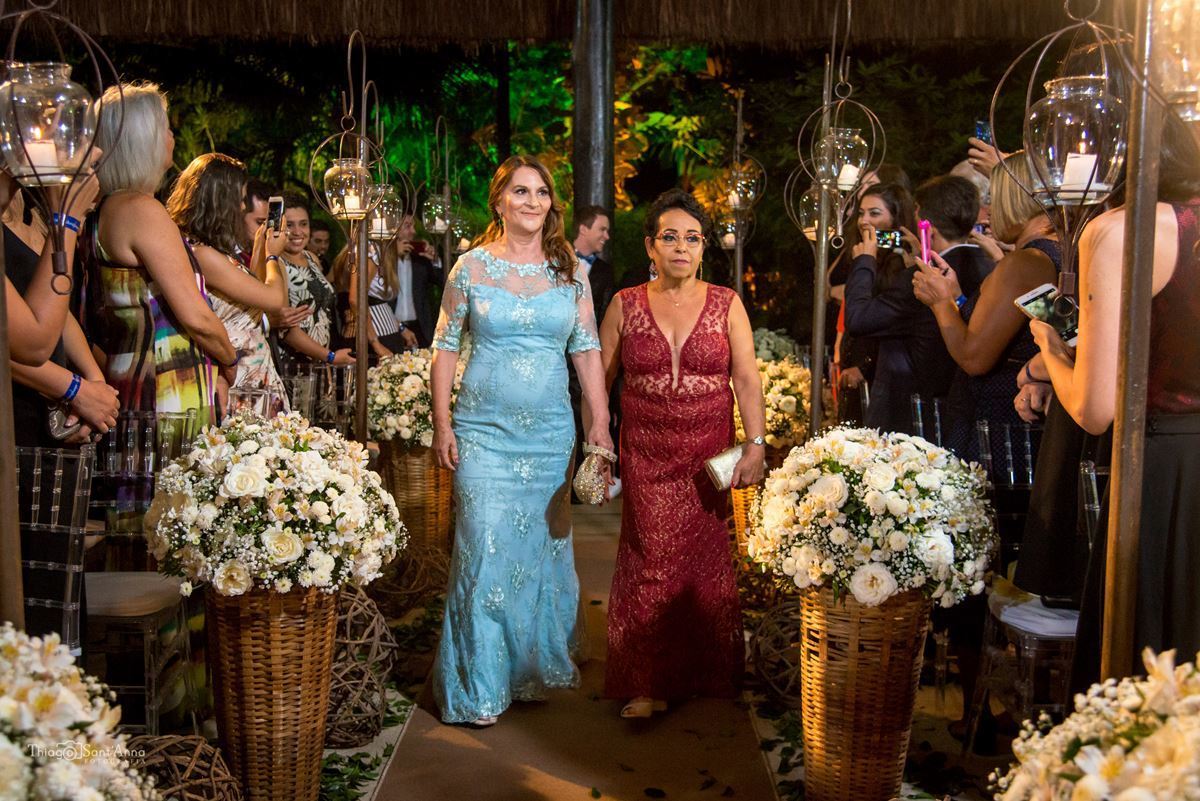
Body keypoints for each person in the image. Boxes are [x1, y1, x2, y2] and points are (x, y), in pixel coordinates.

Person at [428, 155, 611, 726]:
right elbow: (444, 347)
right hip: (483, 436)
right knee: (482, 550)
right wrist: (442, 423)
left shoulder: (570, 272)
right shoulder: (470, 268)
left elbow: (586, 349)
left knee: (536, 553)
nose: (532, 201)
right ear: (500, 201)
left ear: (551, 204)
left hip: (550, 438)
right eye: (520, 191)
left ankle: (529, 666)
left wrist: (600, 424)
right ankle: (479, 684)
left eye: (541, 193)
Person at [1032, 113, 1200, 685]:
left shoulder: (1119, 231)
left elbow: (1096, 409)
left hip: (1166, 477)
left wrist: (1050, 349)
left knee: (1149, 675)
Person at [600, 189, 766, 717]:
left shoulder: (727, 302)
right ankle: (646, 682)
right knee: (651, 559)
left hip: (706, 455)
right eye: (669, 236)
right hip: (646, 452)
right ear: (651, 246)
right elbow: (598, 382)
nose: (681, 247)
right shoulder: (624, 303)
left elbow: (745, 377)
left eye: (692, 238)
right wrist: (598, 443)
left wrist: (755, 445)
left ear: (702, 248)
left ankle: (701, 672)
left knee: (702, 563)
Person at [82, 82, 236, 427]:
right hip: (166, 389)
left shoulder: (103, 210)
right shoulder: (142, 210)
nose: (172, 137)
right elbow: (196, 315)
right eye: (165, 128)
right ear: (144, 141)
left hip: (130, 379)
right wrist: (230, 359)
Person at [912, 153, 1060, 464]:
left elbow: (975, 358)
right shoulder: (1056, 252)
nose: (986, 212)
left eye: (993, 199)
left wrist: (940, 304)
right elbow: (1018, 332)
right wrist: (959, 300)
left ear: (1014, 199)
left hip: (999, 430)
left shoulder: (1026, 263)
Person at [166, 153, 290, 412]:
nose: (243, 207)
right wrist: (273, 255)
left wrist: (260, 246)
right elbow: (275, 300)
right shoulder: (203, 255)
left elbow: (255, 291)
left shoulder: (214, 251)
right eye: (240, 198)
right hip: (239, 374)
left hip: (254, 369)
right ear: (220, 200)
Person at [5, 173, 117, 446]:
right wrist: (74, 390)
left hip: (51, 412)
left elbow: (55, 307)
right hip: (14, 408)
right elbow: (25, 344)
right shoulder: (57, 216)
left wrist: (94, 380)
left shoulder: (30, 205)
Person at [843, 183, 944, 434]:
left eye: (875, 213)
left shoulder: (904, 265)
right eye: (861, 213)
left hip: (895, 384)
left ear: (896, 217)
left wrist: (865, 263)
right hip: (869, 377)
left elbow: (866, 317)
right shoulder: (867, 257)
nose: (864, 221)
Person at [274, 192, 353, 368]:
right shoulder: (276, 263)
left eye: (303, 224)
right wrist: (329, 356)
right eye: (289, 225)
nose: (297, 232)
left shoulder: (311, 258)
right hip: (293, 364)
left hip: (321, 362)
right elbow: (286, 329)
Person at [390, 214, 442, 348]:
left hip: (419, 328)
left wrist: (435, 260)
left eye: (413, 226)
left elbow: (444, 283)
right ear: (393, 227)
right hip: (391, 327)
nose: (413, 231)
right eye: (408, 226)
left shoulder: (420, 259)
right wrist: (392, 254)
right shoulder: (382, 259)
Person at [572, 205, 614, 323]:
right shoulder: (556, 259)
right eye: (602, 229)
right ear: (583, 229)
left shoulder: (606, 272)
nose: (607, 236)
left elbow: (604, 316)